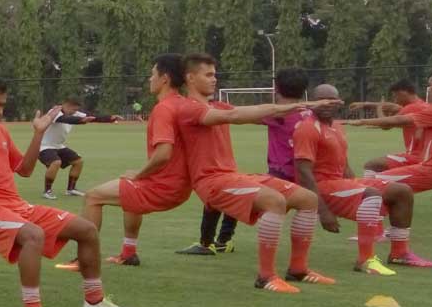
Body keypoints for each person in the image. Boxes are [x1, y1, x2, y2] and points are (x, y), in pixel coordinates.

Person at [0, 75, 135, 307]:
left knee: (87, 230)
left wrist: (39, 133)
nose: (0, 111)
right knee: (33, 235)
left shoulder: (0, 130)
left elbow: (24, 170)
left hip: (17, 205)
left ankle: (94, 300)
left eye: (3, 105)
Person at [173, 54, 336, 293]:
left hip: (231, 175)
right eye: (208, 74)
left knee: (308, 200)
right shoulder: (188, 108)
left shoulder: (216, 106)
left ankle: (298, 269)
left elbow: (259, 113)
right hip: (211, 182)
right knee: (275, 201)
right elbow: (234, 116)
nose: (214, 79)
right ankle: (266, 276)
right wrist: (305, 105)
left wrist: (304, 109)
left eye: (215, 74)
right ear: (190, 77)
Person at [293, 84, 431, 273]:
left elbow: (344, 164)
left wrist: (354, 182)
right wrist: (322, 211)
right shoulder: (307, 128)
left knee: (401, 191)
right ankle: (365, 259)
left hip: (338, 183)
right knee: (372, 194)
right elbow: (303, 172)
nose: (326, 104)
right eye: (320, 100)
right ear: (311, 103)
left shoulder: (337, 126)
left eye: (331, 100)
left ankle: (400, 253)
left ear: (339, 102)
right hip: (322, 187)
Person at [71, 54, 191, 268]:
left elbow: (163, 153)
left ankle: (85, 260)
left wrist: (139, 174)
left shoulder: (164, 108)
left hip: (165, 186)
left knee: (92, 197)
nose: (149, 79)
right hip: (180, 186)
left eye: (152, 74)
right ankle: (128, 253)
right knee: (130, 192)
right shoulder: (183, 104)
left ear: (164, 78)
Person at [177, 69, 309, 256]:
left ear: (277, 88)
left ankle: (217, 241)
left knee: (233, 195)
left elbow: (244, 115)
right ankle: (220, 241)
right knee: (235, 190)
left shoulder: (277, 116)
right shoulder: (308, 114)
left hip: (280, 172)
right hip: (303, 174)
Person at [346, 79, 432, 193]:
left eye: (395, 96)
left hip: (416, 157)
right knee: (380, 179)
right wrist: (366, 104)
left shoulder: (412, 108)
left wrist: (370, 115)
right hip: (421, 158)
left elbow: (388, 124)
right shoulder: (421, 105)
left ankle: (370, 200)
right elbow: (393, 107)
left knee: (374, 176)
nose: (428, 89)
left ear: (403, 93)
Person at [38, 97, 92, 199]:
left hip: (59, 146)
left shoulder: (74, 114)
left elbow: (92, 117)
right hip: (44, 146)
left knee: (78, 161)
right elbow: (64, 119)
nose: (75, 112)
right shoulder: (54, 111)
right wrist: (81, 120)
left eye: (76, 110)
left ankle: (71, 189)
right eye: (73, 109)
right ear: (66, 105)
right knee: (56, 162)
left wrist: (109, 118)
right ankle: (47, 191)